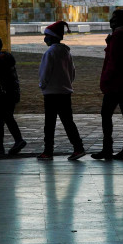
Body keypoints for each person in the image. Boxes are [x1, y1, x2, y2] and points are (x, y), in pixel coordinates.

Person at [91, 9, 123, 161]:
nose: (111, 21)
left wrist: (106, 81)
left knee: (106, 114)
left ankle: (108, 148)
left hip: (116, 83)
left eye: (114, 18)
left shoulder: (118, 35)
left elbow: (115, 60)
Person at [37, 21, 85, 161]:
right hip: (65, 92)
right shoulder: (66, 52)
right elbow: (72, 72)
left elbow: (45, 72)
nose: (45, 39)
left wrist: (43, 86)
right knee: (68, 121)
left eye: (46, 36)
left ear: (51, 37)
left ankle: (48, 151)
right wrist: (68, 84)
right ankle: (78, 147)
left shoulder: (50, 52)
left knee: (49, 123)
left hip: (52, 93)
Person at [0, 36, 26, 155]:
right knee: (8, 117)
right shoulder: (7, 58)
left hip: (1, 95)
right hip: (12, 93)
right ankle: (15, 141)